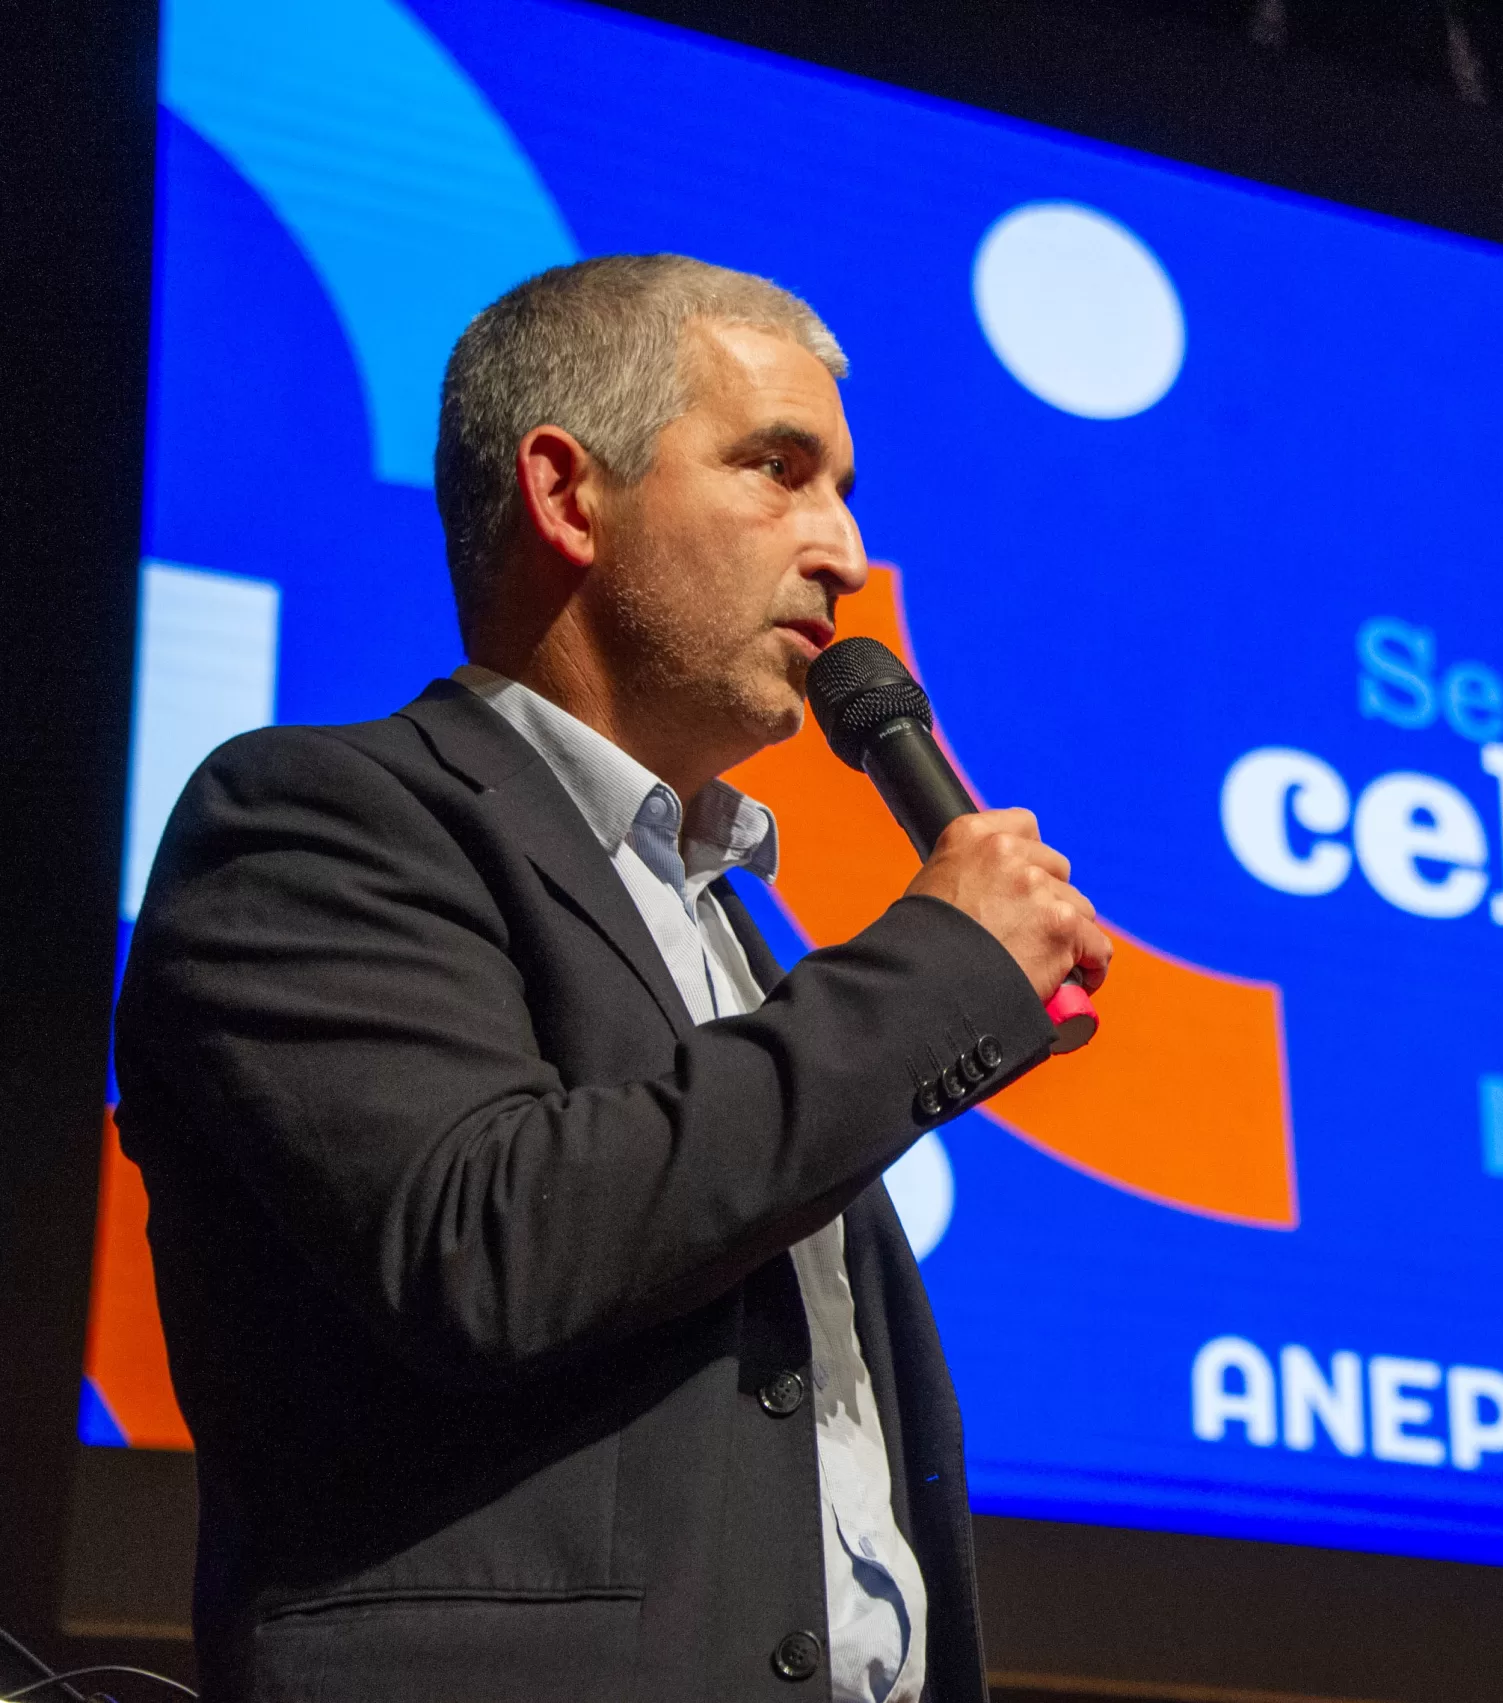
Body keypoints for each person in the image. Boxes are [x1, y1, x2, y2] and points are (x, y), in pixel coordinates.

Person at [114, 254, 1112, 1703]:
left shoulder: (721, 922)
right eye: (779, 469)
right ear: (566, 494)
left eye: (844, 490)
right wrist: (939, 967)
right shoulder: (313, 820)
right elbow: (487, 1242)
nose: (845, 553)